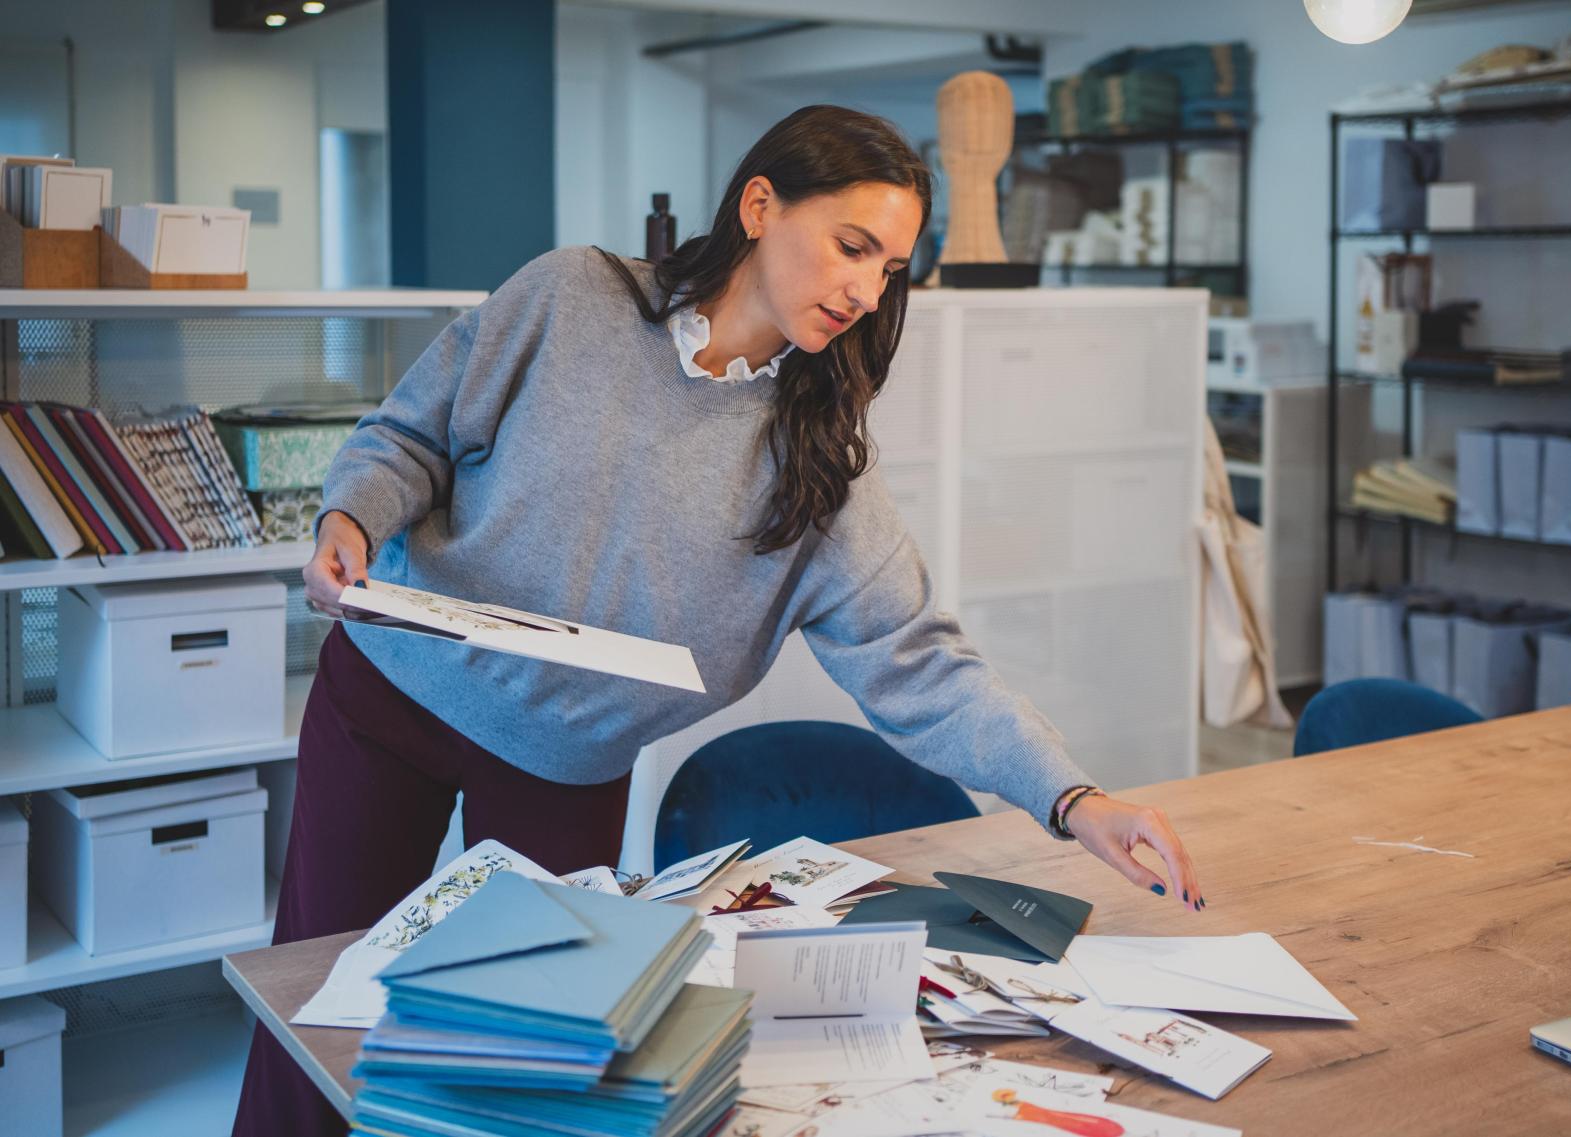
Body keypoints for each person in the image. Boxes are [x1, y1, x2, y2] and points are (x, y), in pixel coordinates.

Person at [232, 104, 1203, 1136]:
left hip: (564, 768)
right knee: (317, 1008)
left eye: (887, 270)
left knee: (537, 1070)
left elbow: (920, 666)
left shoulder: (817, 466)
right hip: (388, 694)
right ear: (758, 205)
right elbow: (412, 434)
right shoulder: (572, 296)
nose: (865, 291)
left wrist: (1073, 797)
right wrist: (350, 515)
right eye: (851, 247)